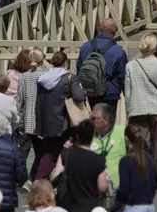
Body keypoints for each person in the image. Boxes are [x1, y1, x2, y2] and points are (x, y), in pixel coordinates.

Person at [124, 33, 157, 179]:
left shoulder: (131, 65)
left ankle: (140, 175)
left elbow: (128, 92)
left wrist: (128, 112)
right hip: (156, 108)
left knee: (139, 145)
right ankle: (155, 178)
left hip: (137, 108)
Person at [34, 51, 86, 180]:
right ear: (66, 63)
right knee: (63, 151)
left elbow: (38, 103)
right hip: (64, 122)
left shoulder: (43, 79)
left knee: (50, 152)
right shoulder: (70, 78)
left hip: (47, 122)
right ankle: (46, 180)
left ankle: (41, 180)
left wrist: (39, 126)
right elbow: (79, 97)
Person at [50, 119, 109, 212]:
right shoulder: (99, 159)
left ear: (78, 136)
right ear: (92, 137)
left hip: (67, 205)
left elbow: (55, 176)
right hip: (89, 206)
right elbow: (102, 187)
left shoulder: (66, 154)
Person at [77, 18, 127, 110]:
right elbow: (122, 77)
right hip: (110, 94)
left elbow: (79, 70)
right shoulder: (119, 52)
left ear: (100, 29)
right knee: (107, 122)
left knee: (93, 121)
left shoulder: (85, 47)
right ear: (115, 31)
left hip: (90, 92)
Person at [16, 49, 47, 186]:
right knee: (41, 152)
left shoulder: (24, 77)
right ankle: (34, 177)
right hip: (42, 120)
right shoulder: (46, 75)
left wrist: (19, 119)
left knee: (23, 150)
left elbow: (20, 101)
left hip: (27, 119)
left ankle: (19, 178)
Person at [116, 124, 157, 211]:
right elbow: (156, 182)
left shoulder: (125, 161)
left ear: (126, 139)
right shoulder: (149, 158)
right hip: (149, 206)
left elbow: (124, 189)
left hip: (132, 207)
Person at [89, 103, 127, 189]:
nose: (91, 121)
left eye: (94, 118)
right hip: (94, 188)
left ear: (106, 120)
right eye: (91, 118)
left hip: (118, 188)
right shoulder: (88, 135)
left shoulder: (122, 133)